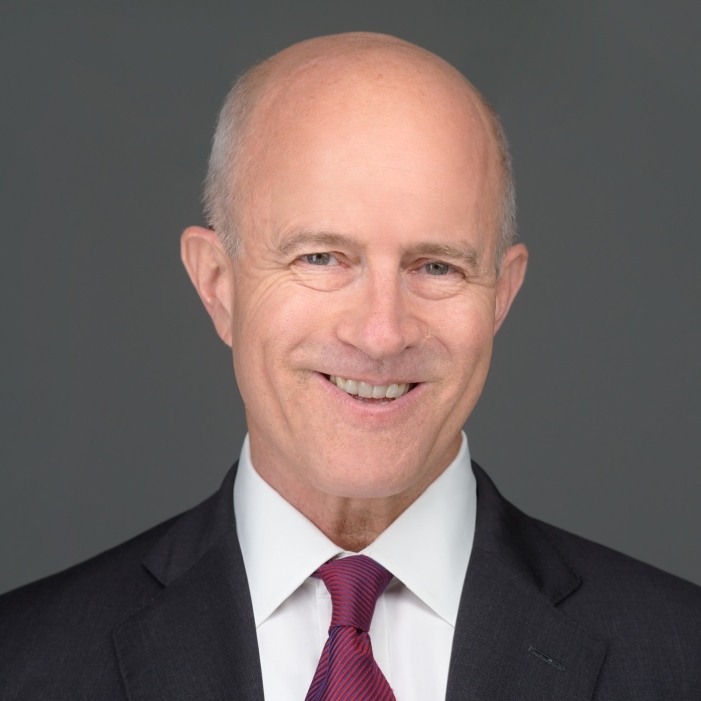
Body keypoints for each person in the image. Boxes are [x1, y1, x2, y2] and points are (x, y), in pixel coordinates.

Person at [1, 31, 699, 701]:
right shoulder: (24, 662)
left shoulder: (680, 658)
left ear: (501, 294)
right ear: (218, 283)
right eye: (321, 258)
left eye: (436, 266)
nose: (381, 333)